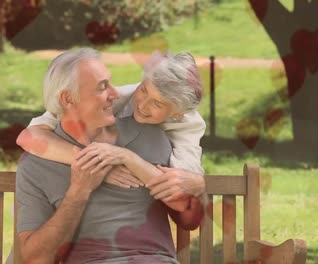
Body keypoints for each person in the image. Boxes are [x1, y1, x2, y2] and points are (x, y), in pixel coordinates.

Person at [15, 48, 204, 263]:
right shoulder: (36, 163)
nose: (117, 94)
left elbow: (187, 213)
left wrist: (196, 183)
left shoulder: (158, 134)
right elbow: (36, 258)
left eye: (111, 84)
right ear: (68, 99)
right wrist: (82, 185)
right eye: (103, 87)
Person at [17, 50, 206, 203]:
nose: (142, 105)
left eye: (157, 104)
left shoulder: (188, 123)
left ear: (177, 114)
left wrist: (197, 182)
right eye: (143, 90)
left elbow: (185, 181)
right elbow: (29, 137)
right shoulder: (116, 98)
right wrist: (99, 165)